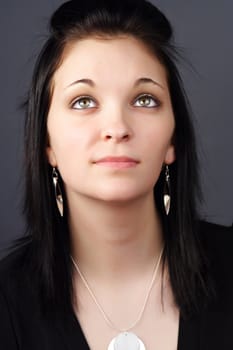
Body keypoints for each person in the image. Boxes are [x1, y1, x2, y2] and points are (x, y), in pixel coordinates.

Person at [0, 0, 232, 349]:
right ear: (46, 143)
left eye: (144, 100)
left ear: (172, 138)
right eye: (83, 101)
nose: (117, 127)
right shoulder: (7, 303)